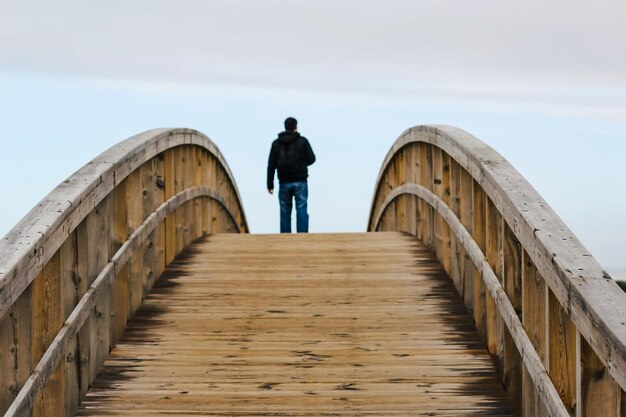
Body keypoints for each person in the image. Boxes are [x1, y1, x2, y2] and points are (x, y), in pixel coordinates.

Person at [267, 117, 316, 233]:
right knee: (301, 207)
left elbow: (271, 165)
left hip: (284, 182)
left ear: (285, 127)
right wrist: (302, 163)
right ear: (296, 127)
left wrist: (270, 184)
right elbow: (312, 159)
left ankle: (285, 237)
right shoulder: (303, 141)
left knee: (284, 210)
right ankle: (302, 235)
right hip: (300, 181)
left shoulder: (276, 144)